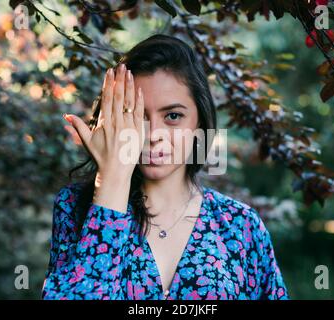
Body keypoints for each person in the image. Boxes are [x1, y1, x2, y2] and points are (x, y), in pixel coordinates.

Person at [42, 34, 289, 300]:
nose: (153, 134)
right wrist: (112, 179)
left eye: (173, 116)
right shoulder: (74, 206)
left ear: (200, 124)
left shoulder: (241, 226)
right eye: (137, 116)